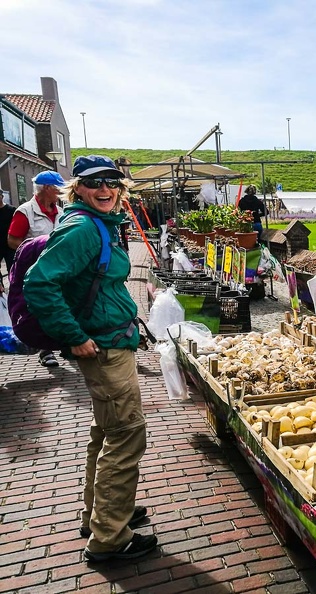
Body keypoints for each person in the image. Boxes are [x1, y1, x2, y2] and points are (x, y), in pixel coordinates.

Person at [24, 155, 156, 563]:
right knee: (127, 434)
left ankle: (101, 514)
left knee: (107, 431)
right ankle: (110, 538)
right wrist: (74, 336)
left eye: (112, 183)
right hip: (102, 347)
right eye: (94, 183)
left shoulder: (97, 223)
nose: (105, 189)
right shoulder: (82, 228)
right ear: (77, 188)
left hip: (111, 341)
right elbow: (40, 284)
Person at [8, 170, 65, 367]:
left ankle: (66, 342)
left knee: (62, 303)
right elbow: (13, 240)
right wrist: (35, 252)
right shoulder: (25, 212)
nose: (61, 192)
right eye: (58, 188)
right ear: (47, 188)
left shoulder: (62, 212)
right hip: (35, 271)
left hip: (59, 269)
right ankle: (45, 350)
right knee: (39, 308)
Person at [0, 193, 15, 281]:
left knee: (12, 268)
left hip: (9, 244)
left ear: (2, 196)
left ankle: (13, 287)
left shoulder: (11, 210)